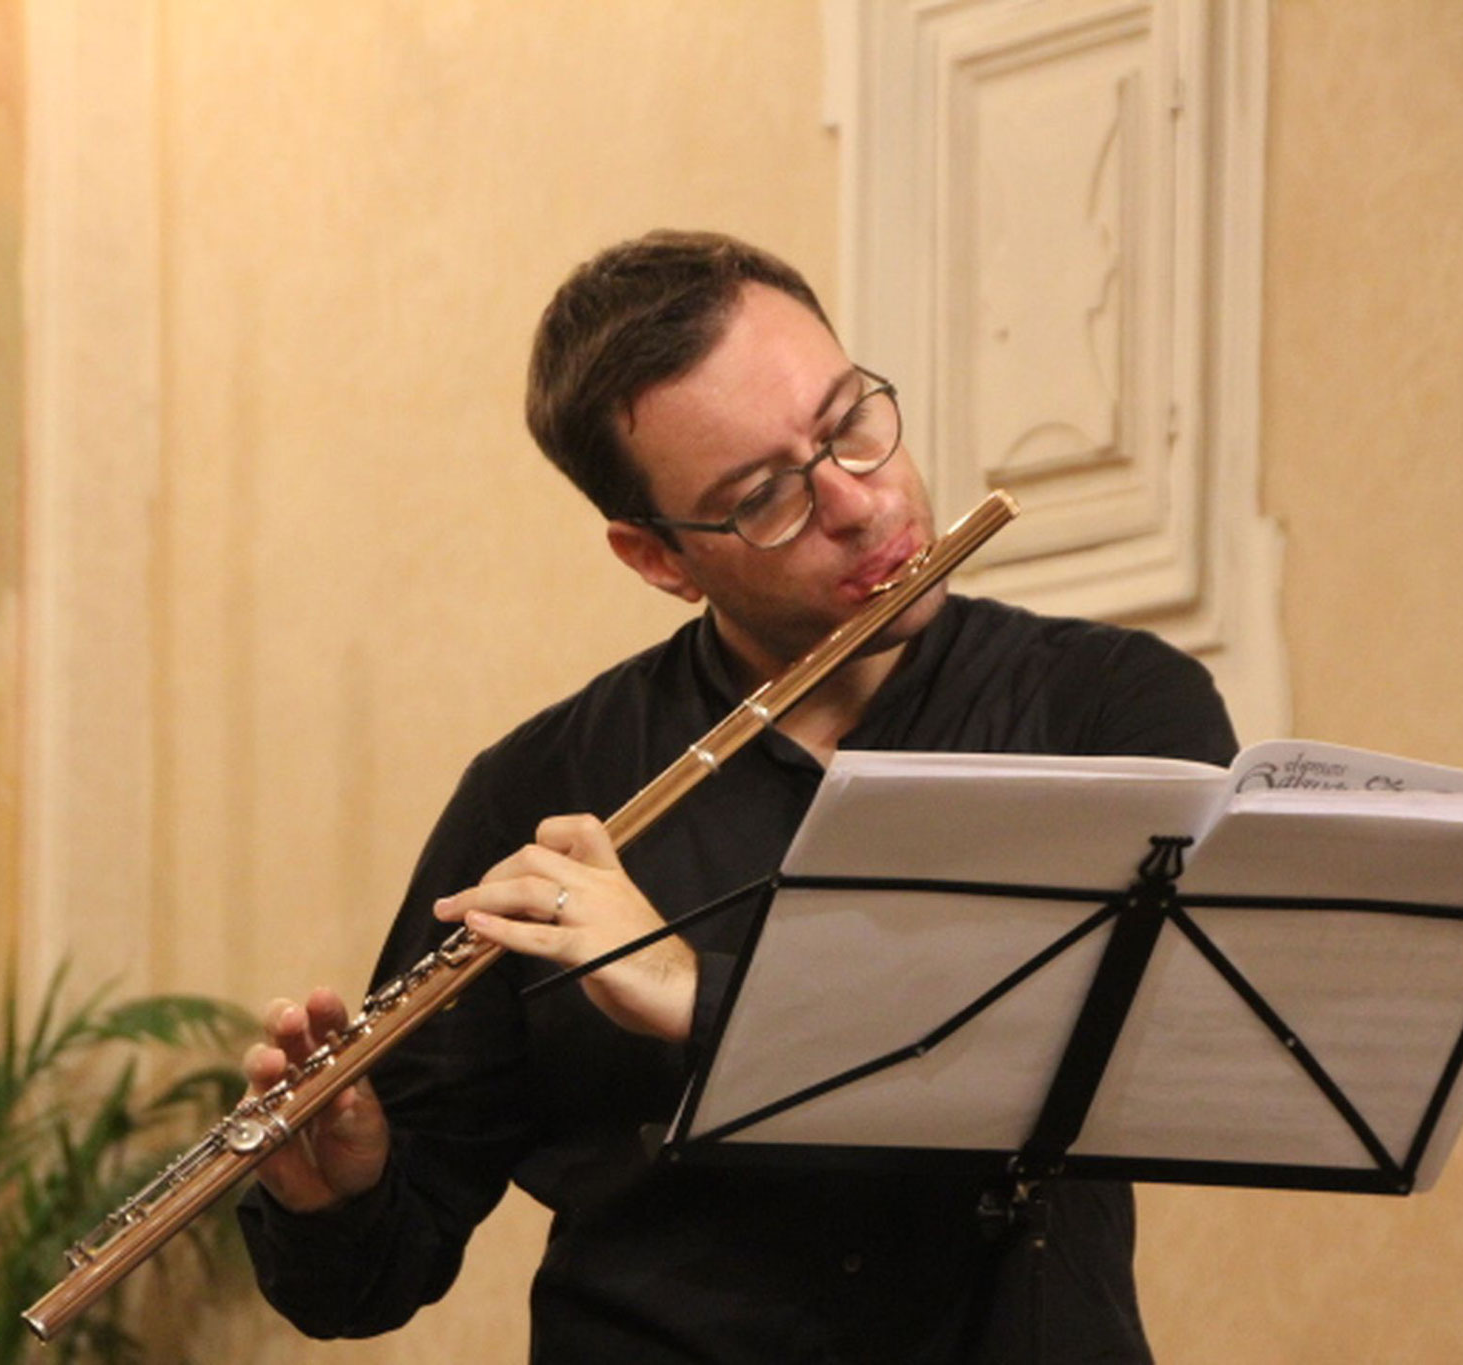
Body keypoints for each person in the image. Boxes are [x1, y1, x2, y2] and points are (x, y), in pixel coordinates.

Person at [235, 230, 1236, 1363]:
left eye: (850, 422)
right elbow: (368, 1283)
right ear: (657, 558)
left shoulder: (1108, 713)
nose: (859, 505)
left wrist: (694, 993)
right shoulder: (541, 793)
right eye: (766, 497)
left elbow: (1144, 1053)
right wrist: (337, 1191)